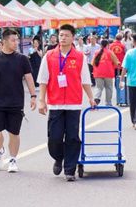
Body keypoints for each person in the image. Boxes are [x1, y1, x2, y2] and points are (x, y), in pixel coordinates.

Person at [37, 24, 95, 181]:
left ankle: (70, 170)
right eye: (61, 35)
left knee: (72, 137)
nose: (63, 38)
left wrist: (91, 98)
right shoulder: (49, 56)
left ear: (72, 38)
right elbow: (43, 80)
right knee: (54, 137)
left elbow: (85, 80)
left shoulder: (80, 57)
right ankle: (58, 157)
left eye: (66, 35)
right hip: (55, 103)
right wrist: (41, 100)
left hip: (73, 103)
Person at [0, 29, 37, 173]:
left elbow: (29, 77)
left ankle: (13, 159)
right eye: (13, 40)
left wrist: (33, 96)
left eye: (17, 40)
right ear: (4, 41)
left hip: (15, 101)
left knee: (14, 133)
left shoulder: (22, 59)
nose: (16, 42)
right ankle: (0, 151)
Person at [92, 39, 119, 106]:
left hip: (98, 73)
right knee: (109, 88)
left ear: (101, 45)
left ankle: (96, 98)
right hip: (108, 73)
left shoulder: (97, 52)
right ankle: (108, 102)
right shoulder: (110, 52)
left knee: (98, 87)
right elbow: (116, 62)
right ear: (107, 45)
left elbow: (93, 63)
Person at [110, 34, 128, 107]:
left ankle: (118, 90)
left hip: (113, 65)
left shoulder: (111, 46)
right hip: (121, 65)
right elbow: (126, 54)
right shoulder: (123, 46)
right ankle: (122, 91)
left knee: (115, 79)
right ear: (121, 38)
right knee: (122, 79)